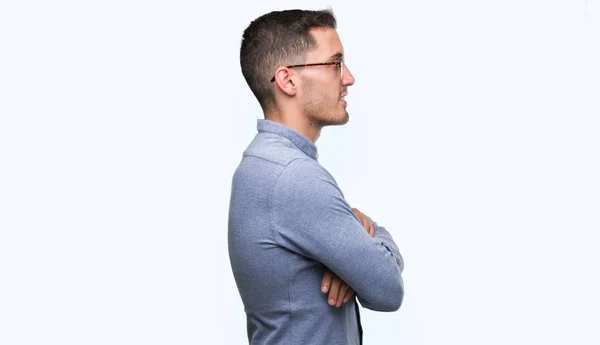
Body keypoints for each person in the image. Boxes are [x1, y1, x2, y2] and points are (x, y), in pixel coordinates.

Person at [228, 8, 404, 345]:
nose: (348, 77)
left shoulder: (262, 164)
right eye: (335, 63)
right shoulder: (293, 177)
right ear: (288, 80)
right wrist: (373, 235)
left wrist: (352, 261)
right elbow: (387, 289)